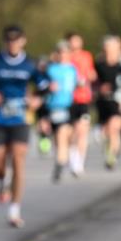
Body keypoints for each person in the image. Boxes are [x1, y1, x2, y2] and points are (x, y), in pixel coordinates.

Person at [0, 24, 49, 227]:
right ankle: (3, 181)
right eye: (9, 40)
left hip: (20, 118)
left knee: (19, 159)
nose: (13, 44)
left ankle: (14, 210)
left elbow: (45, 86)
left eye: (16, 40)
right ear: (5, 42)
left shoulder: (30, 64)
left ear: (23, 41)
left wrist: (37, 100)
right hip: (0, 120)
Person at [94, 35, 121, 170]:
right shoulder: (98, 65)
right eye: (107, 48)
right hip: (103, 101)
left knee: (114, 126)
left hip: (118, 101)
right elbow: (92, 82)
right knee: (106, 130)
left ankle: (111, 156)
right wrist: (98, 88)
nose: (109, 50)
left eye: (113, 48)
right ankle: (111, 147)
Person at [44, 41, 77, 182]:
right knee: (58, 139)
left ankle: (60, 164)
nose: (63, 55)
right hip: (53, 106)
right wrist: (48, 87)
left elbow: (76, 86)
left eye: (66, 52)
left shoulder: (73, 69)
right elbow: (42, 86)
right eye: (61, 52)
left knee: (64, 136)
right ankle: (62, 159)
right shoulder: (51, 69)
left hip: (68, 106)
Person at [67, 32, 97, 176]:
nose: (75, 44)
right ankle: (73, 156)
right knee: (72, 132)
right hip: (69, 99)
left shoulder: (87, 56)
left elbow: (91, 73)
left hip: (84, 98)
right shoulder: (65, 57)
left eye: (78, 41)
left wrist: (91, 77)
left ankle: (80, 162)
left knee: (83, 130)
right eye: (73, 41)